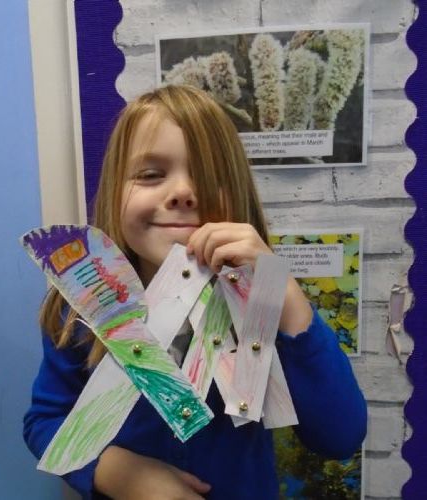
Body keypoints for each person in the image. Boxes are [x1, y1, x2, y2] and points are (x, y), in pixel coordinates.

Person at [23, 85, 367, 499]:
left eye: (208, 176)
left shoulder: (263, 301)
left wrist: (286, 298)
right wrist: (118, 472)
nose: (184, 192)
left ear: (237, 194)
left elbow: (340, 436)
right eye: (150, 175)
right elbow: (46, 422)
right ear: (115, 191)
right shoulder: (81, 309)